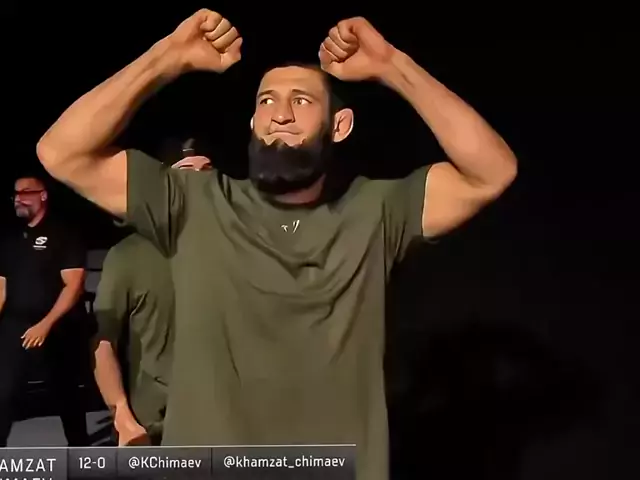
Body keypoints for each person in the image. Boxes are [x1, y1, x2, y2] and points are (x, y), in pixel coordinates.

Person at [36, 10, 517, 479]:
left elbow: (491, 172)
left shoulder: (377, 210)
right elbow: (61, 152)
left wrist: (393, 66)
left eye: (301, 101)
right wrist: (167, 58)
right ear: (252, 122)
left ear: (340, 126)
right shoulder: (192, 204)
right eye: (266, 101)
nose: (279, 114)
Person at [93, 151, 212, 446]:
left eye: (208, 171)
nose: (199, 180)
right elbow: (103, 343)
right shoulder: (128, 256)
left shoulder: (242, 250)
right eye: (187, 172)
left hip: (223, 421)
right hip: (153, 423)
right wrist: (123, 416)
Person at [0, 177, 90, 447]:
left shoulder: (64, 234)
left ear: (43, 196)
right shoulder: (9, 238)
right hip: (16, 325)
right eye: (15, 193)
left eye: (26, 192)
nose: (19, 198)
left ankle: (80, 453)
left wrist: (46, 324)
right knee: (4, 393)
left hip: (57, 325)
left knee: (67, 394)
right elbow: (1, 287)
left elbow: (74, 285)